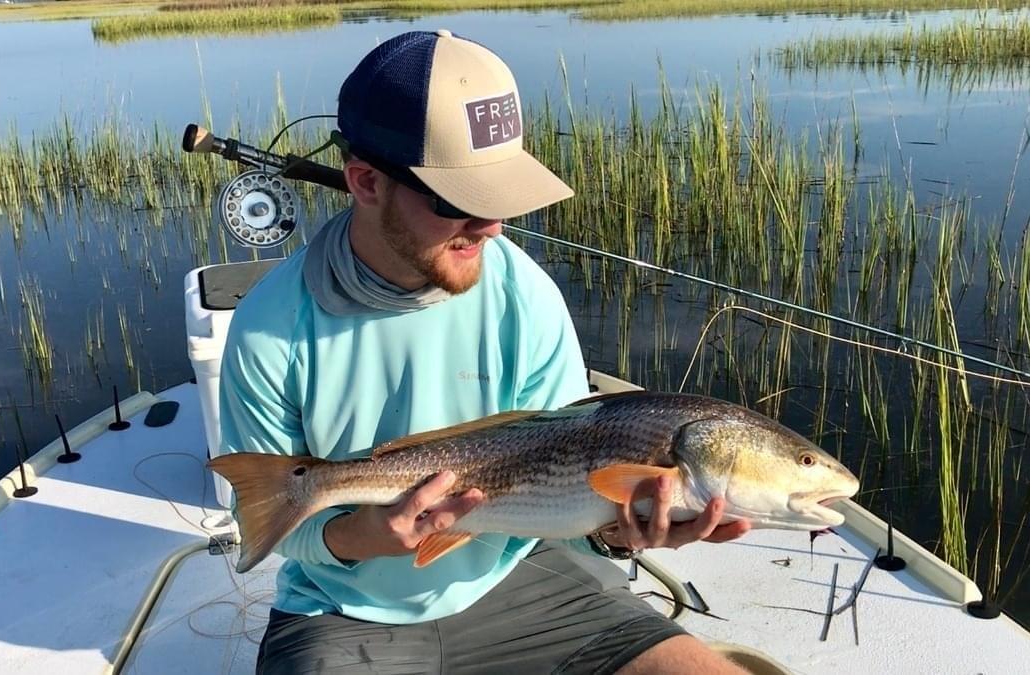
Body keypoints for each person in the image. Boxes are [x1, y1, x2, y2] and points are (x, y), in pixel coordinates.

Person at [218, 29, 751, 674]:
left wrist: (620, 529)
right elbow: (292, 528)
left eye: (500, 197)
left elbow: (570, 479)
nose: (493, 227)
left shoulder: (525, 293)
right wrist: (363, 535)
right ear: (364, 182)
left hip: (523, 575)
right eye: (461, 202)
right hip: (343, 610)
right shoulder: (270, 327)